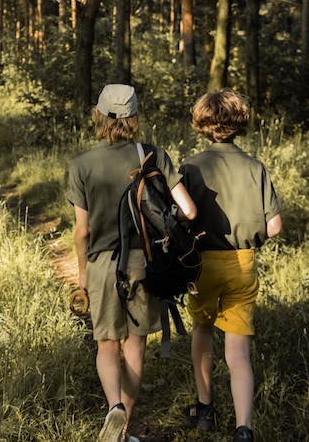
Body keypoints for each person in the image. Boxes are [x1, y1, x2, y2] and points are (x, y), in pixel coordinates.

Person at [66, 84, 197, 442]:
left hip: (101, 265)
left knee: (106, 344)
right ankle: (123, 433)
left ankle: (114, 408)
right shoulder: (153, 155)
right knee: (135, 344)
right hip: (145, 263)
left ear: (99, 116)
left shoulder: (81, 166)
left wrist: (82, 276)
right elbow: (189, 210)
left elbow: (81, 232)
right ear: (135, 117)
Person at [179, 90, 283, 442]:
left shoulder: (191, 167)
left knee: (202, 331)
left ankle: (204, 408)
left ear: (202, 123)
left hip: (202, 263)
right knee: (238, 351)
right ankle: (243, 428)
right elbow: (274, 227)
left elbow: (180, 217)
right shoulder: (255, 168)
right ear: (239, 123)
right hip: (242, 263)